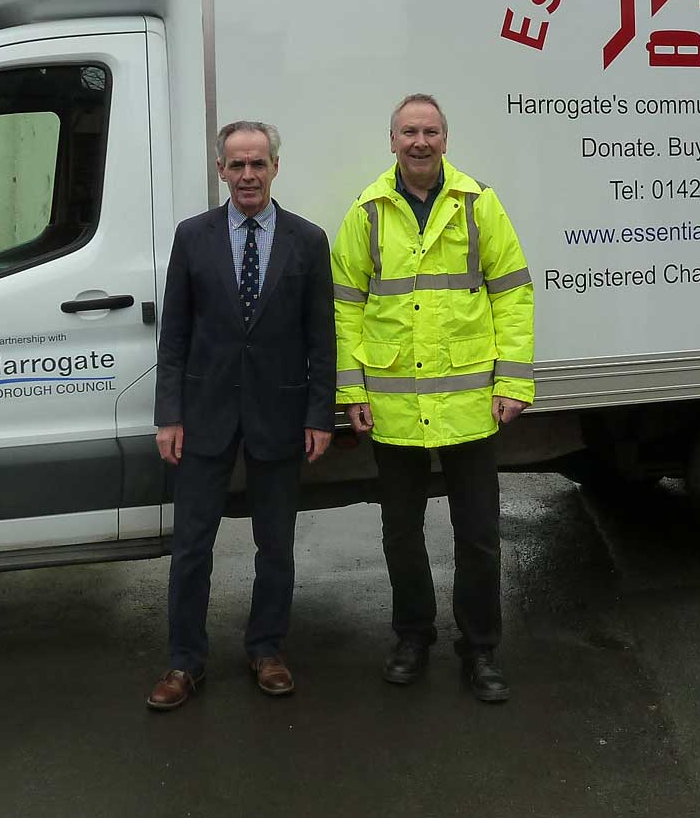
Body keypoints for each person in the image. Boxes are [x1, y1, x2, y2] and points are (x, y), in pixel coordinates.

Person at [331, 93, 535, 703]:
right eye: (408, 132)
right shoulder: (367, 212)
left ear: (446, 138)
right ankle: (412, 637)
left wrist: (513, 381)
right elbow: (346, 305)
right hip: (393, 408)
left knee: (478, 536)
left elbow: (513, 294)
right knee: (402, 534)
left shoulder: (479, 204)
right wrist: (351, 390)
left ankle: (481, 650)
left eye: (431, 131)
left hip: (471, 404)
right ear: (390, 140)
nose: (420, 142)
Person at [147, 120, 336, 711]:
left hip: (279, 414)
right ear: (221, 171)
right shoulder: (192, 237)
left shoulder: (308, 241)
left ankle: (267, 649)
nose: (248, 175)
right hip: (204, 415)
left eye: (258, 164)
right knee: (192, 547)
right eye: (237, 165)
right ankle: (184, 662)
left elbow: (321, 337)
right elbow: (174, 334)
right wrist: (169, 414)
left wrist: (318, 414)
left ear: (275, 168)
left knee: (275, 544)